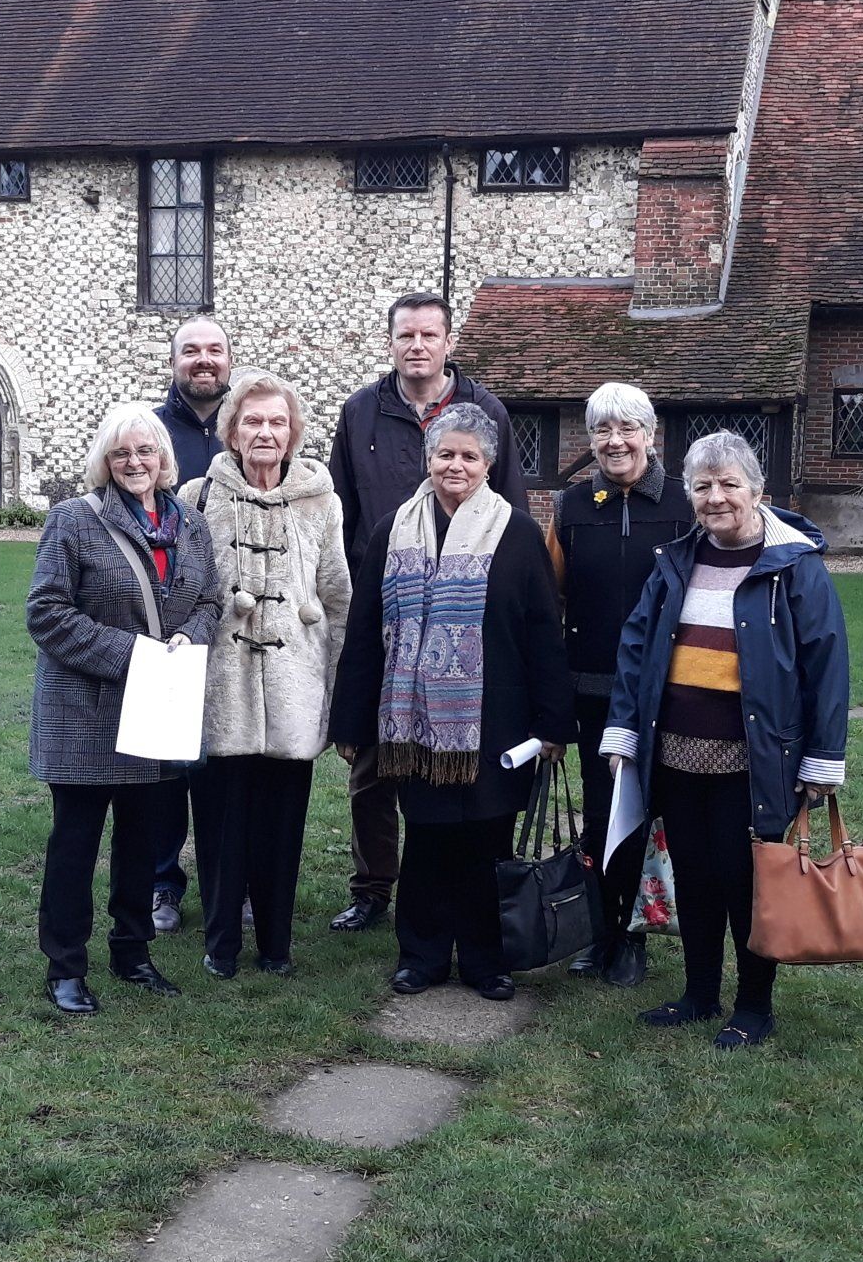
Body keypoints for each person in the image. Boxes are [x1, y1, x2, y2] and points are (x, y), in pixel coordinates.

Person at [601, 430, 849, 1048]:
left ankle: (754, 1006)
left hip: (756, 761)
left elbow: (826, 665)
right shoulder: (676, 561)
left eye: (729, 484)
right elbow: (637, 651)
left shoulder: (795, 567)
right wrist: (624, 734)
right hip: (678, 752)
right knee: (695, 875)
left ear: (758, 492)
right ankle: (699, 993)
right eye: (703, 486)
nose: (716, 498)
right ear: (689, 496)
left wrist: (821, 761)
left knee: (748, 882)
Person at [330, 403, 576, 1001]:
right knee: (428, 841)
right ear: (428, 459)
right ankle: (422, 955)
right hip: (413, 721)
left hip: (494, 719)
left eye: (469, 455)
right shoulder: (394, 529)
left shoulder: (516, 531)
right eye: (445, 454)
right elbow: (365, 630)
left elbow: (544, 630)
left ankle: (486, 959)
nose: (455, 465)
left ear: (488, 463)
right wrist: (353, 720)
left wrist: (552, 723)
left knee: (487, 841)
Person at [326, 291, 532, 933]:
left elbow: (514, 509)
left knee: (457, 770)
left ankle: (466, 893)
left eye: (429, 336)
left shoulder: (484, 409)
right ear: (390, 343)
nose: (417, 346)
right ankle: (373, 884)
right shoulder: (361, 413)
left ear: (449, 344)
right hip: (387, 614)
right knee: (374, 769)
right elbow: (342, 515)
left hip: (465, 626)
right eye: (405, 336)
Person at [26, 402, 223, 1015]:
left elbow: (211, 600)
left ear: (164, 457)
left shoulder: (190, 523)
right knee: (76, 844)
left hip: (156, 710)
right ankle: (65, 966)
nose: (135, 462)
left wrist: (190, 636)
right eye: (121, 453)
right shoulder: (72, 522)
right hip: (85, 711)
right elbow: (47, 613)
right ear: (105, 462)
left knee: (142, 843)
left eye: (145, 451)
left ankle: (133, 952)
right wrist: (134, 653)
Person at [179, 371, 352, 978]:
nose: (265, 432)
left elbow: (337, 599)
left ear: (293, 432)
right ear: (231, 430)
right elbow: (178, 590)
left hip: (294, 685)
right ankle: (220, 943)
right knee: (221, 823)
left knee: (282, 824)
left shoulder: (320, 503)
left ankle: (276, 943)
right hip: (219, 686)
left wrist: (333, 689)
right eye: (252, 421)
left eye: (277, 421)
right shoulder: (198, 497)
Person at [547, 382, 693, 988]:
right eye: (603, 431)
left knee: (652, 813)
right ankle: (598, 930)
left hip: (667, 693)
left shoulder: (686, 506)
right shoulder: (573, 507)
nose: (615, 441)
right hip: (591, 688)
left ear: (651, 436)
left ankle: (636, 934)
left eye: (628, 429)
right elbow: (549, 596)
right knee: (602, 812)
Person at [148, 315, 233, 934]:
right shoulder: (153, 432)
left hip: (237, 630)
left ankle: (229, 885)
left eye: (214, 351)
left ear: (229, 361)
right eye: (191, 352)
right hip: (170, 627)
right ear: (173, 361)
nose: (203, 361)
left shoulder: (248, 427)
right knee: (164, 772)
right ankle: (161, 884)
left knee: (225, 773)